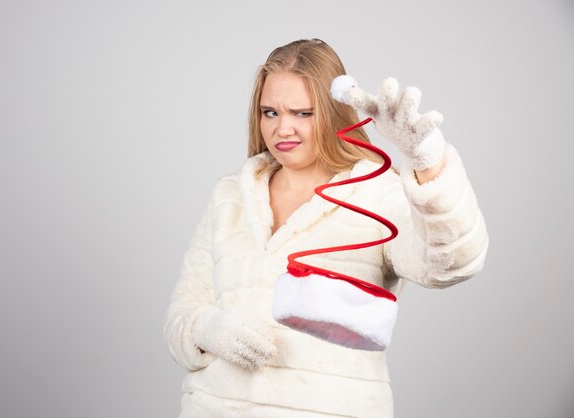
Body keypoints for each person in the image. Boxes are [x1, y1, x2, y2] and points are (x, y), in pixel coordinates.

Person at [164, 38, 488, 418]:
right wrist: (207, 328)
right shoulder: (229, 195)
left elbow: (452, 263)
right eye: (270, 112)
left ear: (334, 113)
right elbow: (181, 315)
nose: (283, 128)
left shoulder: (374, 193)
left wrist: (427, 162)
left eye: (302, 113)